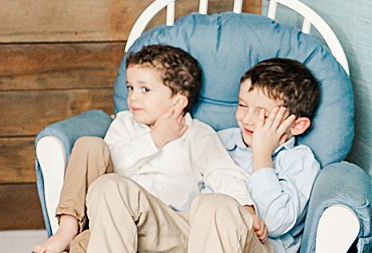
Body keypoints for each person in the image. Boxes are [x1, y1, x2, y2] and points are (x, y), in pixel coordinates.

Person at [35, 44, 260, 253]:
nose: (133, 97)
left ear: (178, 101)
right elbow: (114, 167)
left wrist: (247, 208)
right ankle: (67, 228)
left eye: (145, 89)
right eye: (130, 87)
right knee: (94, 156)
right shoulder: (123, 124)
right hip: (118, 222)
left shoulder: (196, 133)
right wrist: (156, 138)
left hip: (170, 226)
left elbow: (222, 172)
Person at [218, 59, 322, 253]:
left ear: (297, 125)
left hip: (254, 246)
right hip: (195, 232)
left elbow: (274, 223)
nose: (247, 119)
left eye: (263, 114)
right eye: (242, 105)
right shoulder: (222, 141)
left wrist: (261, 153)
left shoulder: (299, 161)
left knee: (216, 205)